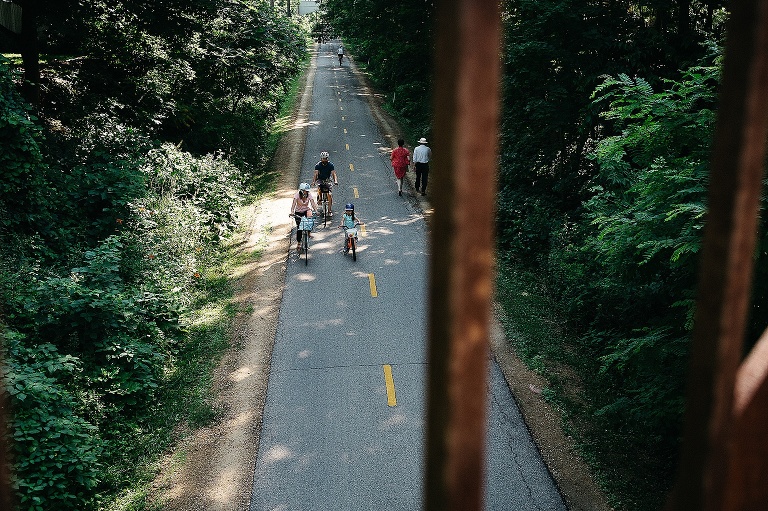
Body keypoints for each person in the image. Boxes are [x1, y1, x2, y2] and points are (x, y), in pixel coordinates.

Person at [290, 183, 317, 251]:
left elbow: (312, 203)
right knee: (300, 228)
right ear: (301, 190)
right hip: (298, 212)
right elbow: (293, 204)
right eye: (306, 191)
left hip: (306, 211)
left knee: (310, 221)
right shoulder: (297, 195)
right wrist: (292, 212)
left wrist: (316, 210)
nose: (307, 192)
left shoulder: (309, 195)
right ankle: (299, 242)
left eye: (307, 191)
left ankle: (309, 232)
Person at [312, 151, 339, 215]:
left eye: (326, 158)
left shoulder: (331, 165)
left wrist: (335, 181)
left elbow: (333, 174)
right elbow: (315, 174)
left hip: (327, 180)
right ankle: (320, 198)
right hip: (320, 180)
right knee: (319, 187)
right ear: (321, 159)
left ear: (328, 158)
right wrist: (313, 182)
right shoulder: (318, 165)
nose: (324, 160)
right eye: (323, 158)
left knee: (329, 195)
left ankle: (329, 210)